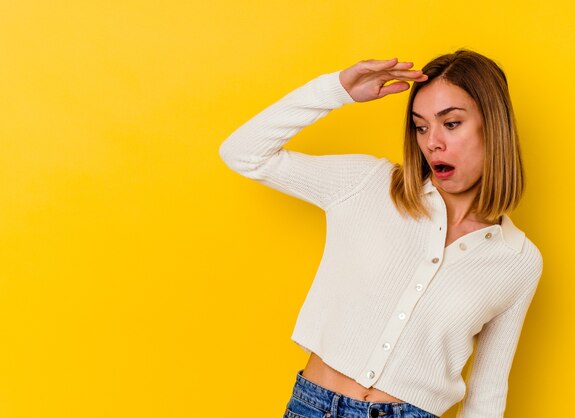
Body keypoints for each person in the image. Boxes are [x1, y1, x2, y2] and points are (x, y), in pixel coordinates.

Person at [218, 50, 543, 418]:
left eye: (450, 124)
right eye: (421, 127)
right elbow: (244, 154)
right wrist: (336, 89)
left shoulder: (518, 260)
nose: (432, 141)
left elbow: (486, 396)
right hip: (314, 407)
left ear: (494, 127)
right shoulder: (367, 184)